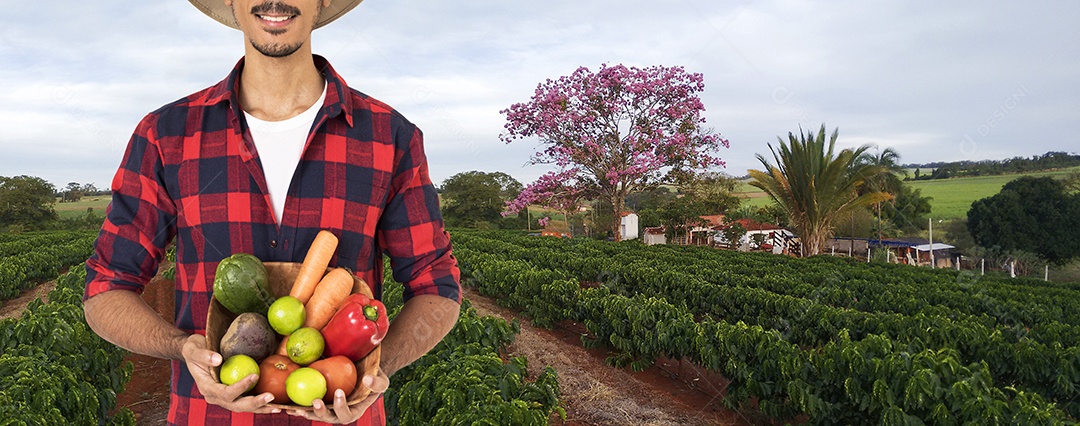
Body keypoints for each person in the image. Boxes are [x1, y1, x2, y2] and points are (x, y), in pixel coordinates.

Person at [82, 0, 462, 424]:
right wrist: (181, 346)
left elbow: (436, 286)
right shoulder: (166, 135)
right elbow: (106, 288)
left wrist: (375, 369)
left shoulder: (390, 137)